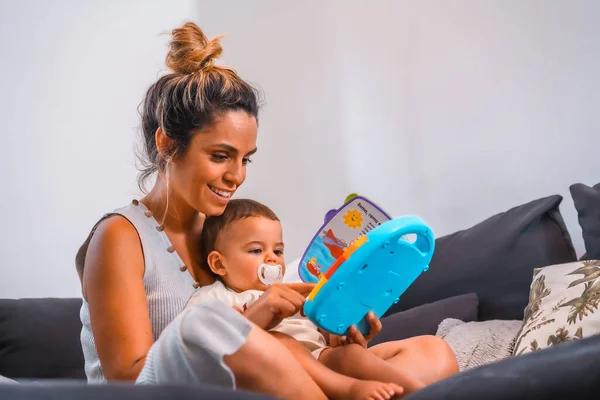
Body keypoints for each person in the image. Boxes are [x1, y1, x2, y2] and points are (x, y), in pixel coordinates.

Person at [74, 20, 458, 400]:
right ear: (167, 143)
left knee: (432, 352)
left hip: (264, 379)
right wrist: (249, 328)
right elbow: (130, 382)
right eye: (221, 156)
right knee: (218, 327)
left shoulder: (229, 229)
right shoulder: (121, 237)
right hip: (177, 393)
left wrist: (329, 329)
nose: (236, 176)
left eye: (246, 160)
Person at [187, 198, 442, 398]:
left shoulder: (293, 289)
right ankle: (393, 393)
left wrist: (340, 331)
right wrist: (256, 321)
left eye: (277, 250)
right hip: (287, 375)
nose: (272, 258)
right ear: (218, 263)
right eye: (256, 250)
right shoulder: (212, 298)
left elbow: (324, 335)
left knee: (434, 349)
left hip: (326, 359)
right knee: (280, 341)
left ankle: (399, 391)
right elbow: (208, 353)